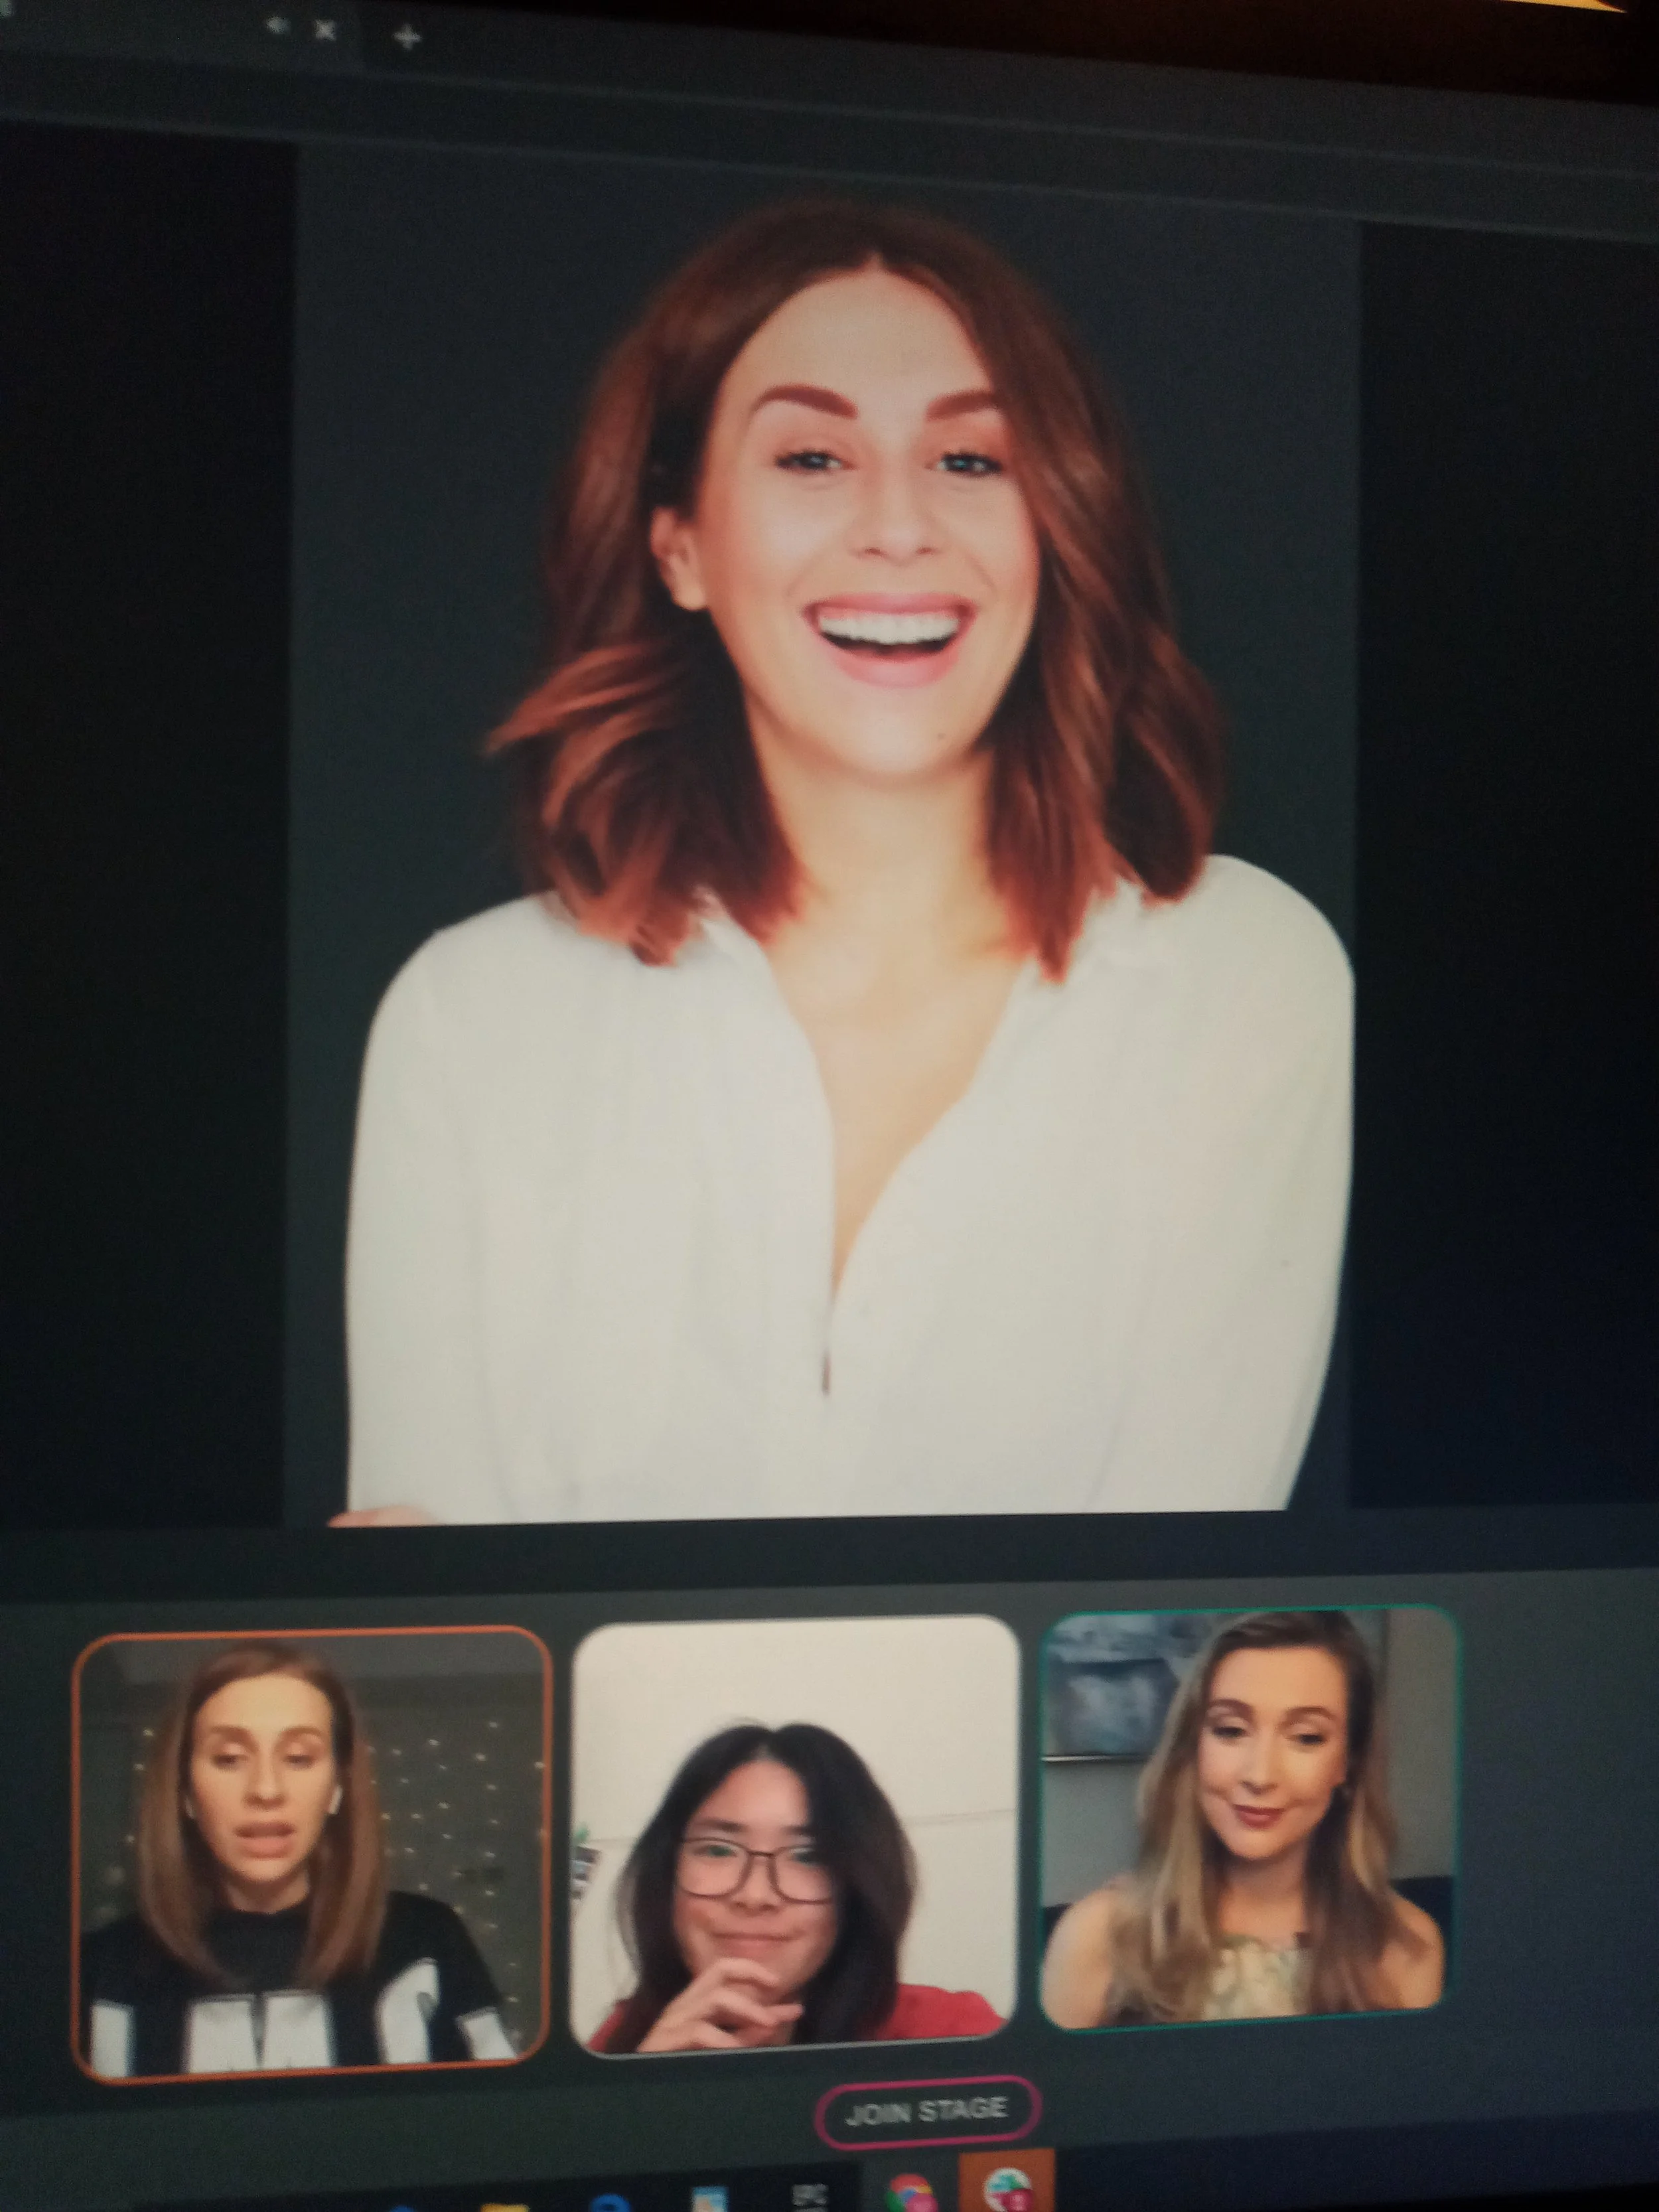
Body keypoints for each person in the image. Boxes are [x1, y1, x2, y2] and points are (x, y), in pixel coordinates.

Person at [339, 196, 1351, 1527]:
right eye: (810, 459)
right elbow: (449, 1663)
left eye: (972, 461)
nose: (897, 527)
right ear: (681, 547)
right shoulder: (468, 1020)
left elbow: (1148, 1625)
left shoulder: (1246, 979)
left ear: (1057, 532)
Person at [80, 1641, 516, 2078]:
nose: (267, 1790)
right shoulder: (101, 1971)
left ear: (337, 1787)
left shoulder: (425, 1942)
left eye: (299, 1757)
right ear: (186, 1791)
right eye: (230, 1758)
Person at [1041, 1611, 1444, 2028]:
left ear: (1348, 1764)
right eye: (1231, 1730)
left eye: (1306, 1737)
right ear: (1194, 1746)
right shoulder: (1098, 1937)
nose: (1259, 1776)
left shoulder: (1408, 1947)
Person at [585, 1722, 1001, 2051]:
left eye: (807, 1857)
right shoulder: (624, 2043)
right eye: (718, 1850)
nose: (755, 1896)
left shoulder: (954, 2035)